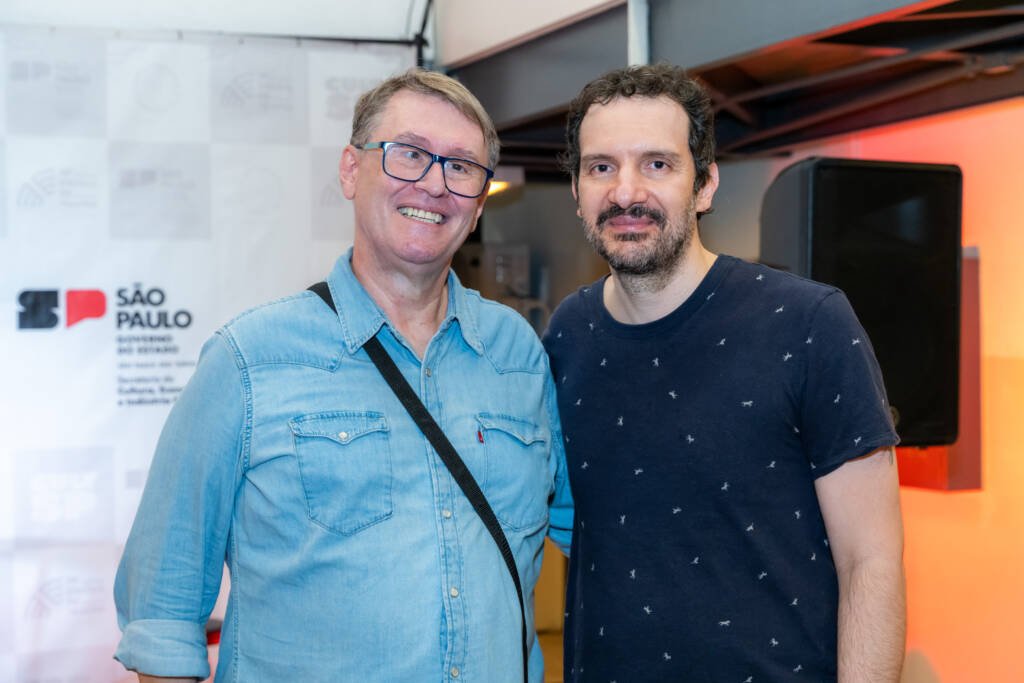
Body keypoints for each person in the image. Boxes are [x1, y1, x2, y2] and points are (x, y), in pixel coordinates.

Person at [114, 68, 573, 683]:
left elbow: (589, 532)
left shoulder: (518, 354)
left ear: (479, 200)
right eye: (409, 153)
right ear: (351, 170)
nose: (434, 184)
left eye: (462, 166)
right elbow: (162, 617)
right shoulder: (248, 360)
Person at [542, 63, 905, 682]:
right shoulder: (567, 335)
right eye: (601, 167)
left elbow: (870, 562)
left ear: (705, 185)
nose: (626, 192)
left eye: (657, 164)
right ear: (577, 191)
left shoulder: (808, 324)